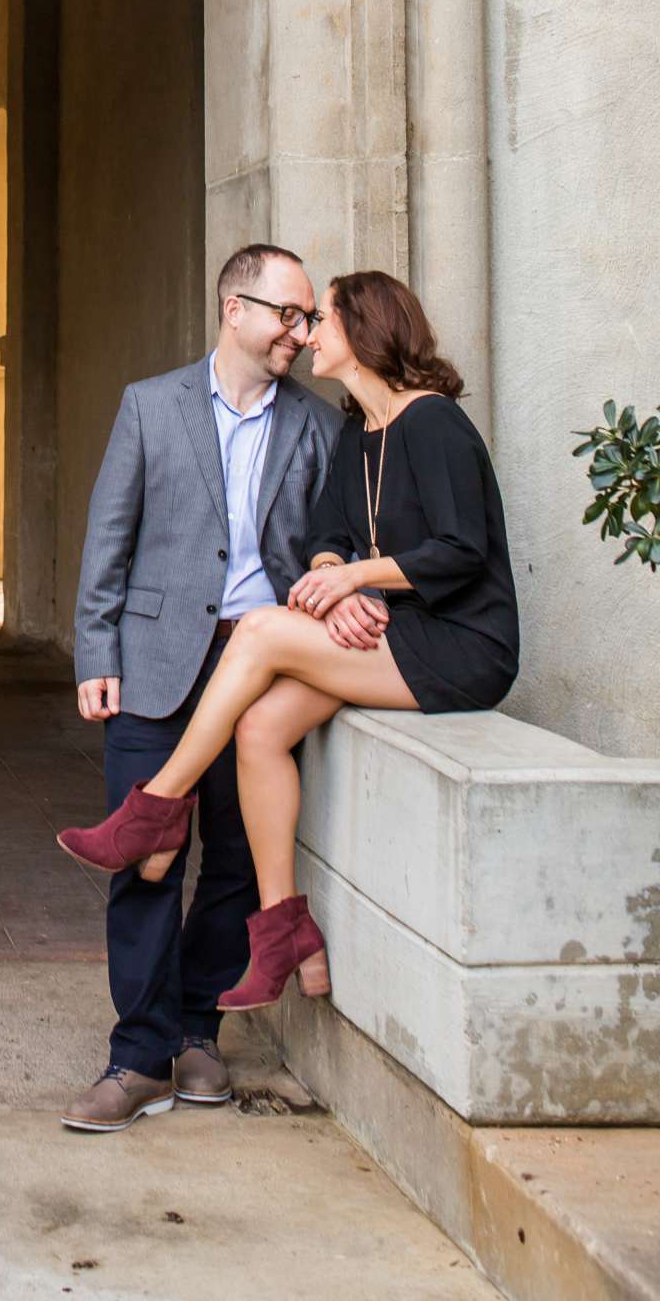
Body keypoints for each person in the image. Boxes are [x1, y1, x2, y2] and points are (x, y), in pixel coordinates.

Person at [59, 269, 519, 1016]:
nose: (307, 336)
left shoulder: (430, 422)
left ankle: (159, 806)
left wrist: (350, 579)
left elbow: (463, 548)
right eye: (298, 318)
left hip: (463, 644)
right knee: (262, 727)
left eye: (321, 321)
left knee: (268, 629)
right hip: (389, 632)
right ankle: (285, 931)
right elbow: (328, 536)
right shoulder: (359, 432)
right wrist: (337, 573)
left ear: (364, 335)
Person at [61, 244, 345, 1132]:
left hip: (260, 671)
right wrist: (94, 651)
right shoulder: (151, 405)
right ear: (235, 309)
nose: (298, 333)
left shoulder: (318, 424)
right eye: (286, 315)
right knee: (147, 857)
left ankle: (196, 1030)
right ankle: (136, 1055)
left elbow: (326, 539)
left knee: (232, 857)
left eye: (306, 320)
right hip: (153, 660)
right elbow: (111, 532)